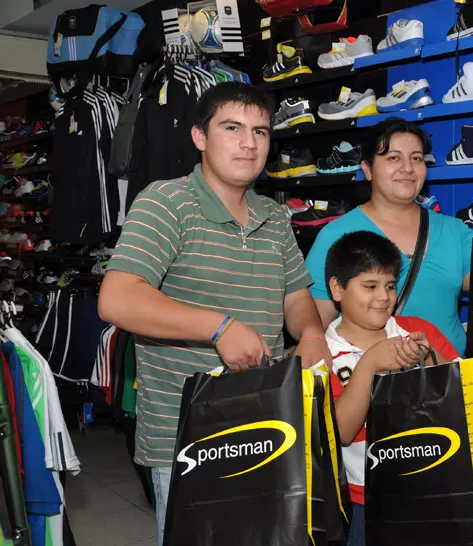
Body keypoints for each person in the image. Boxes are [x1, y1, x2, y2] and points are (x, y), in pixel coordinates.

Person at [98, 82, 331, 545]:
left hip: (270, 424)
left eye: (261, 132)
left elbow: (295, 296)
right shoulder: (166, 203)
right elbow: (117, 298)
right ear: (199, 137)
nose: (249, 143)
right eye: (233, 128)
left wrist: (309, 333)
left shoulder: (274, 216)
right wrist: (219, 327)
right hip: (189, 438)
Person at [323, 230, 460, 546]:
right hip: (362, 500)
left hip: (433, 487)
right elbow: (341, 430)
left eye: (390, 286)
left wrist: (428, 356)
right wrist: (369, 365)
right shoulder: (324, 353)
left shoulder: (417, 330)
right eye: (369, 286)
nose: (383, 297)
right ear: (337, 288)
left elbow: (464, 391)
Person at [304, 118, 473, 355]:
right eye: (393, 157)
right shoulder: (336, 235)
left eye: (416, 158)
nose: (407, 168)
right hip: (370, 382)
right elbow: (314, 325)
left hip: (447, 380)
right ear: (367, 169)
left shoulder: (455, 231)